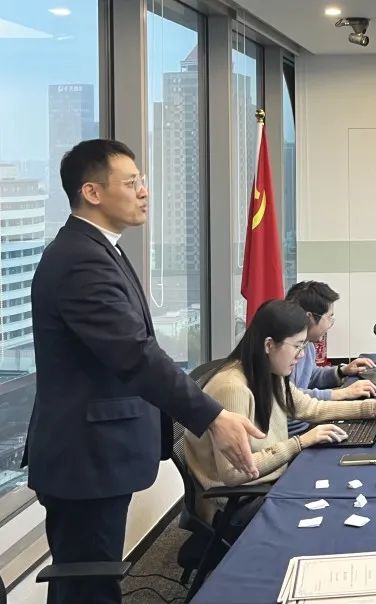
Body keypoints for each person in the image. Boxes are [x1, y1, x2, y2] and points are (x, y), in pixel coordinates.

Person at [21, 139, 264, 604]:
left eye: (143, 181)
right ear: (92, 192)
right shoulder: (80, 259)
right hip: (84, 458)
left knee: (90, 581)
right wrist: (213, 416)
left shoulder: (99, 249)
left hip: (94, 455)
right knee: (88, 587)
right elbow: (134, 354)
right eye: (131, 182)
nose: (144, 191)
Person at [184, 299, 376, 528]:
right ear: (269, 345)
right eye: (297, 346)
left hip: (269, 480)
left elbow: (309, 407)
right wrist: (299, 443)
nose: (302, 355)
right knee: (335, 514)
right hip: (236, 503)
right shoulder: (232, 388)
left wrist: (371, 408)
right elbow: (235, 473)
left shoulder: (268, 371)